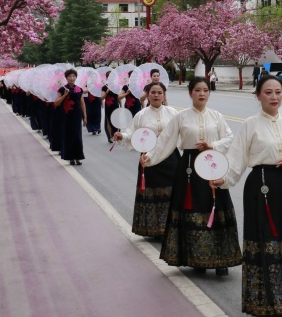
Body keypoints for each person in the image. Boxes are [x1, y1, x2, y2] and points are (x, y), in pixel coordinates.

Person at [210, 75, 282, 316]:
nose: (274, 97)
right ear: (258, 95)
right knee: (265, 240)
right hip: (260, 189)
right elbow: (236, 158)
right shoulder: (250, 124)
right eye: (268, 92)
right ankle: (265, 299)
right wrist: (223, 179)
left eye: (278, 92)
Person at [142, 77, 242, 275]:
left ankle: (221, 260)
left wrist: (212, 145)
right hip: (189, 170)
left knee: (217, 207)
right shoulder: (181, 117)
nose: (202, 94)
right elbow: (166, 141)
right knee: (195, 211)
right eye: (197, 90)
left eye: (205, 90)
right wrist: (150, 157)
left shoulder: (216, 116)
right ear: (190, 93)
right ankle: (196, 258)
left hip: (213, 165)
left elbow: (230, 137)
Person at [115, 82, 179, 237]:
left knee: (173, 193)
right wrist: (121, 136)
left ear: (164, 95)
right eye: (153, 92)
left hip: (171, 158)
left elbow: (183, 133)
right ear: (148, 95)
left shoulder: (173, 113)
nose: (156, 95)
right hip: (148, 160)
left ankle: (172, 227)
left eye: (159, 92)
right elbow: (132, 134)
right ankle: (153, 229)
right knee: (152, 194)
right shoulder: (141, 115)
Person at [54, 69, 87, 166]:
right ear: (66, 78)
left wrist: (85, 116)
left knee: (77, 136)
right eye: (70, 76)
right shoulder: (62, 89)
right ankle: (70, 157)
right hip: (66, 116)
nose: (72, 78)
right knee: (68, 136)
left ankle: (78, 157)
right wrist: (65, 95)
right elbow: (56, 103)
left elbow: (82, 103)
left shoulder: (79, 89)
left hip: (77, 115)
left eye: (74, 76)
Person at [101, 70, 119, 143]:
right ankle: (110, 136)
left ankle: (117, 136)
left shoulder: (117, 86)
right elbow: (101, 98)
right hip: (108, 105)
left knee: (116, 120)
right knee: (108, 120)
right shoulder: (104, 87)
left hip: (115, 104)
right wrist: (107, 92)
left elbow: (118, 96)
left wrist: (120, 103)